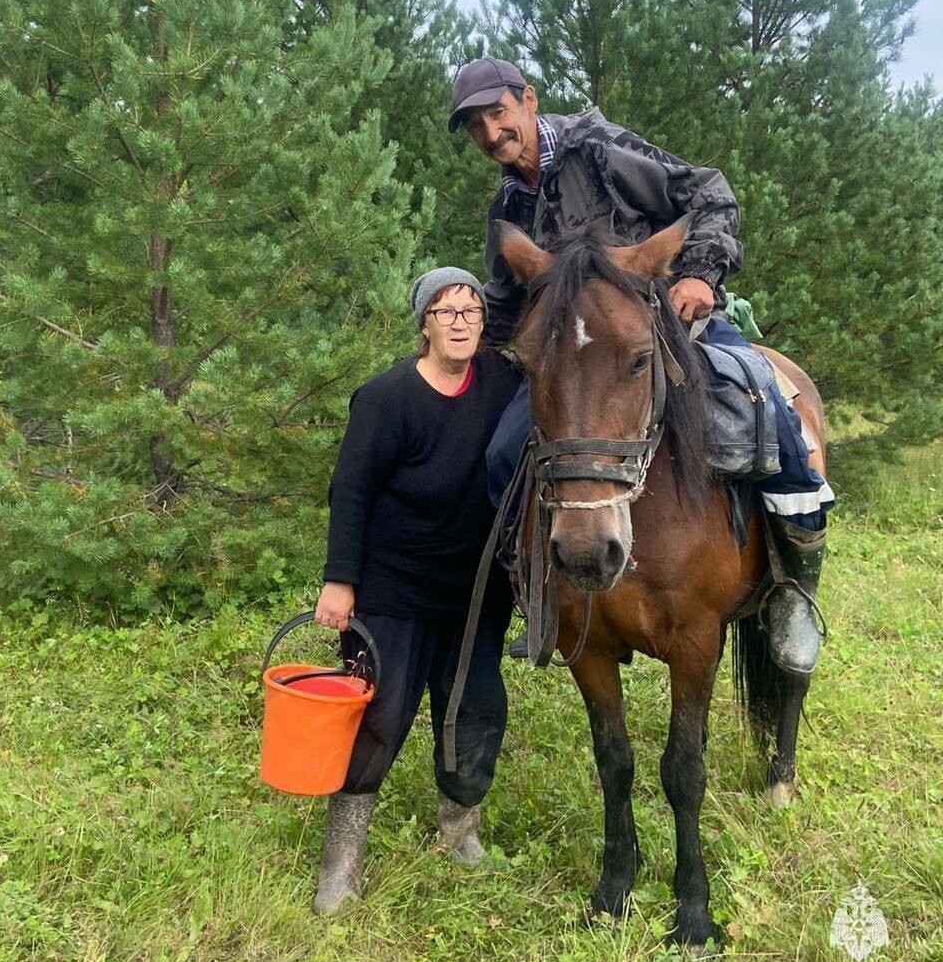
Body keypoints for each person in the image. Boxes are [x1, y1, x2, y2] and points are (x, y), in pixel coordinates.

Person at [447, 57, 834, 679]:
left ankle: (792, 590)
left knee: (768, 407)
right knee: (500, 456)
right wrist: (454, 334)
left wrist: (702, 275)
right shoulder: (508, 207)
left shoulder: (598, 149)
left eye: (499, 113)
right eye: (476, 126)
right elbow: (506, 300)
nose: (492, 134)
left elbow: (708, 194)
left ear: (528, 100)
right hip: (580, 361)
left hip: (672, 322)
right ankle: (539, 593)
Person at [310, 267, 521, 914]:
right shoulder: (386, 399)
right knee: (379, 717)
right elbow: (350, 492)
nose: (460, 320)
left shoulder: (506, 386)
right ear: (424, 323)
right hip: (392, 591)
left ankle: (459, 832)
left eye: (472, 309)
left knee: (475, 709)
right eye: (445, 310)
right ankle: (341, 861)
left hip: (476, 593)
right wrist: (340, 581)